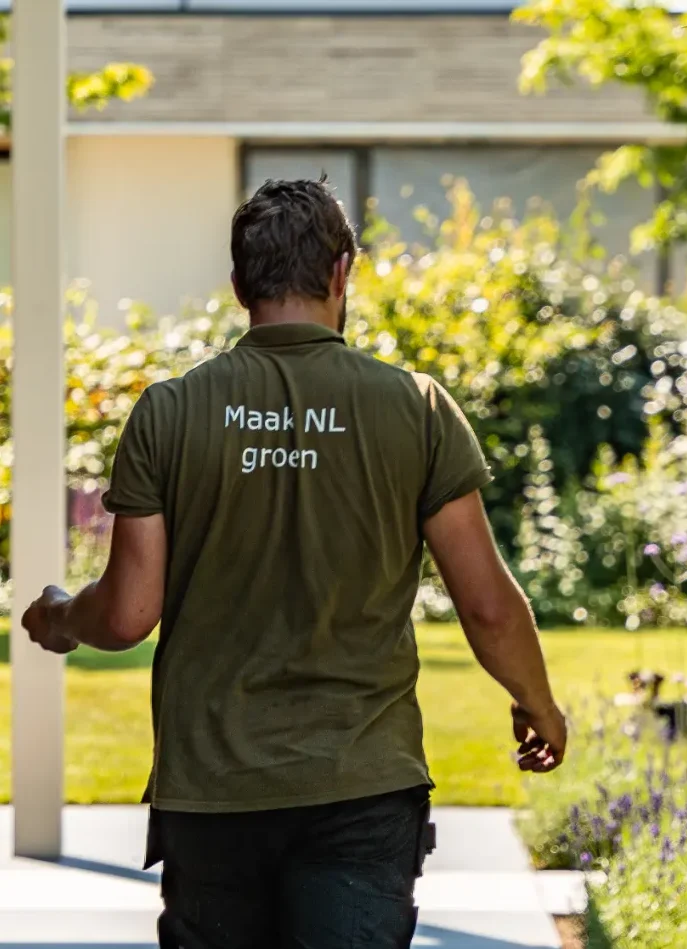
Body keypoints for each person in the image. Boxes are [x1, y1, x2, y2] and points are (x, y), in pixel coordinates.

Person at [22, 177, 567, 949]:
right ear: (343, 272)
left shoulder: (170, 412)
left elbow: (127, 613)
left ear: (240, 281)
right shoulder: (416, 407)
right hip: (363, 787)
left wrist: (59, 615)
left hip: (214, 794)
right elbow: (487, 603)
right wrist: (539, 703)